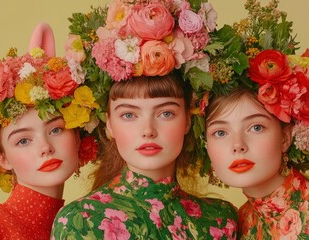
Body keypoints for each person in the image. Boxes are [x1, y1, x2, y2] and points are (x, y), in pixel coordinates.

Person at [52, 0, 239, 239]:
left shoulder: (220, 220)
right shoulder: (80, 221)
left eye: (166, 113)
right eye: (129, 115)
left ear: (188, 121)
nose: (148, 130)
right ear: (109, 124)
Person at [203, 0, 309, 238]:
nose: (238, 144)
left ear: (285, 137)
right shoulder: (234, 227)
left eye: (256, 127)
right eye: (220, 132)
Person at [0, 23, 97, 240]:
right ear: (2, 158)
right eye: (23, 141)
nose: (45, 147)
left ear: (77, 134)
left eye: (55, 129)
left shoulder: (84, 226)